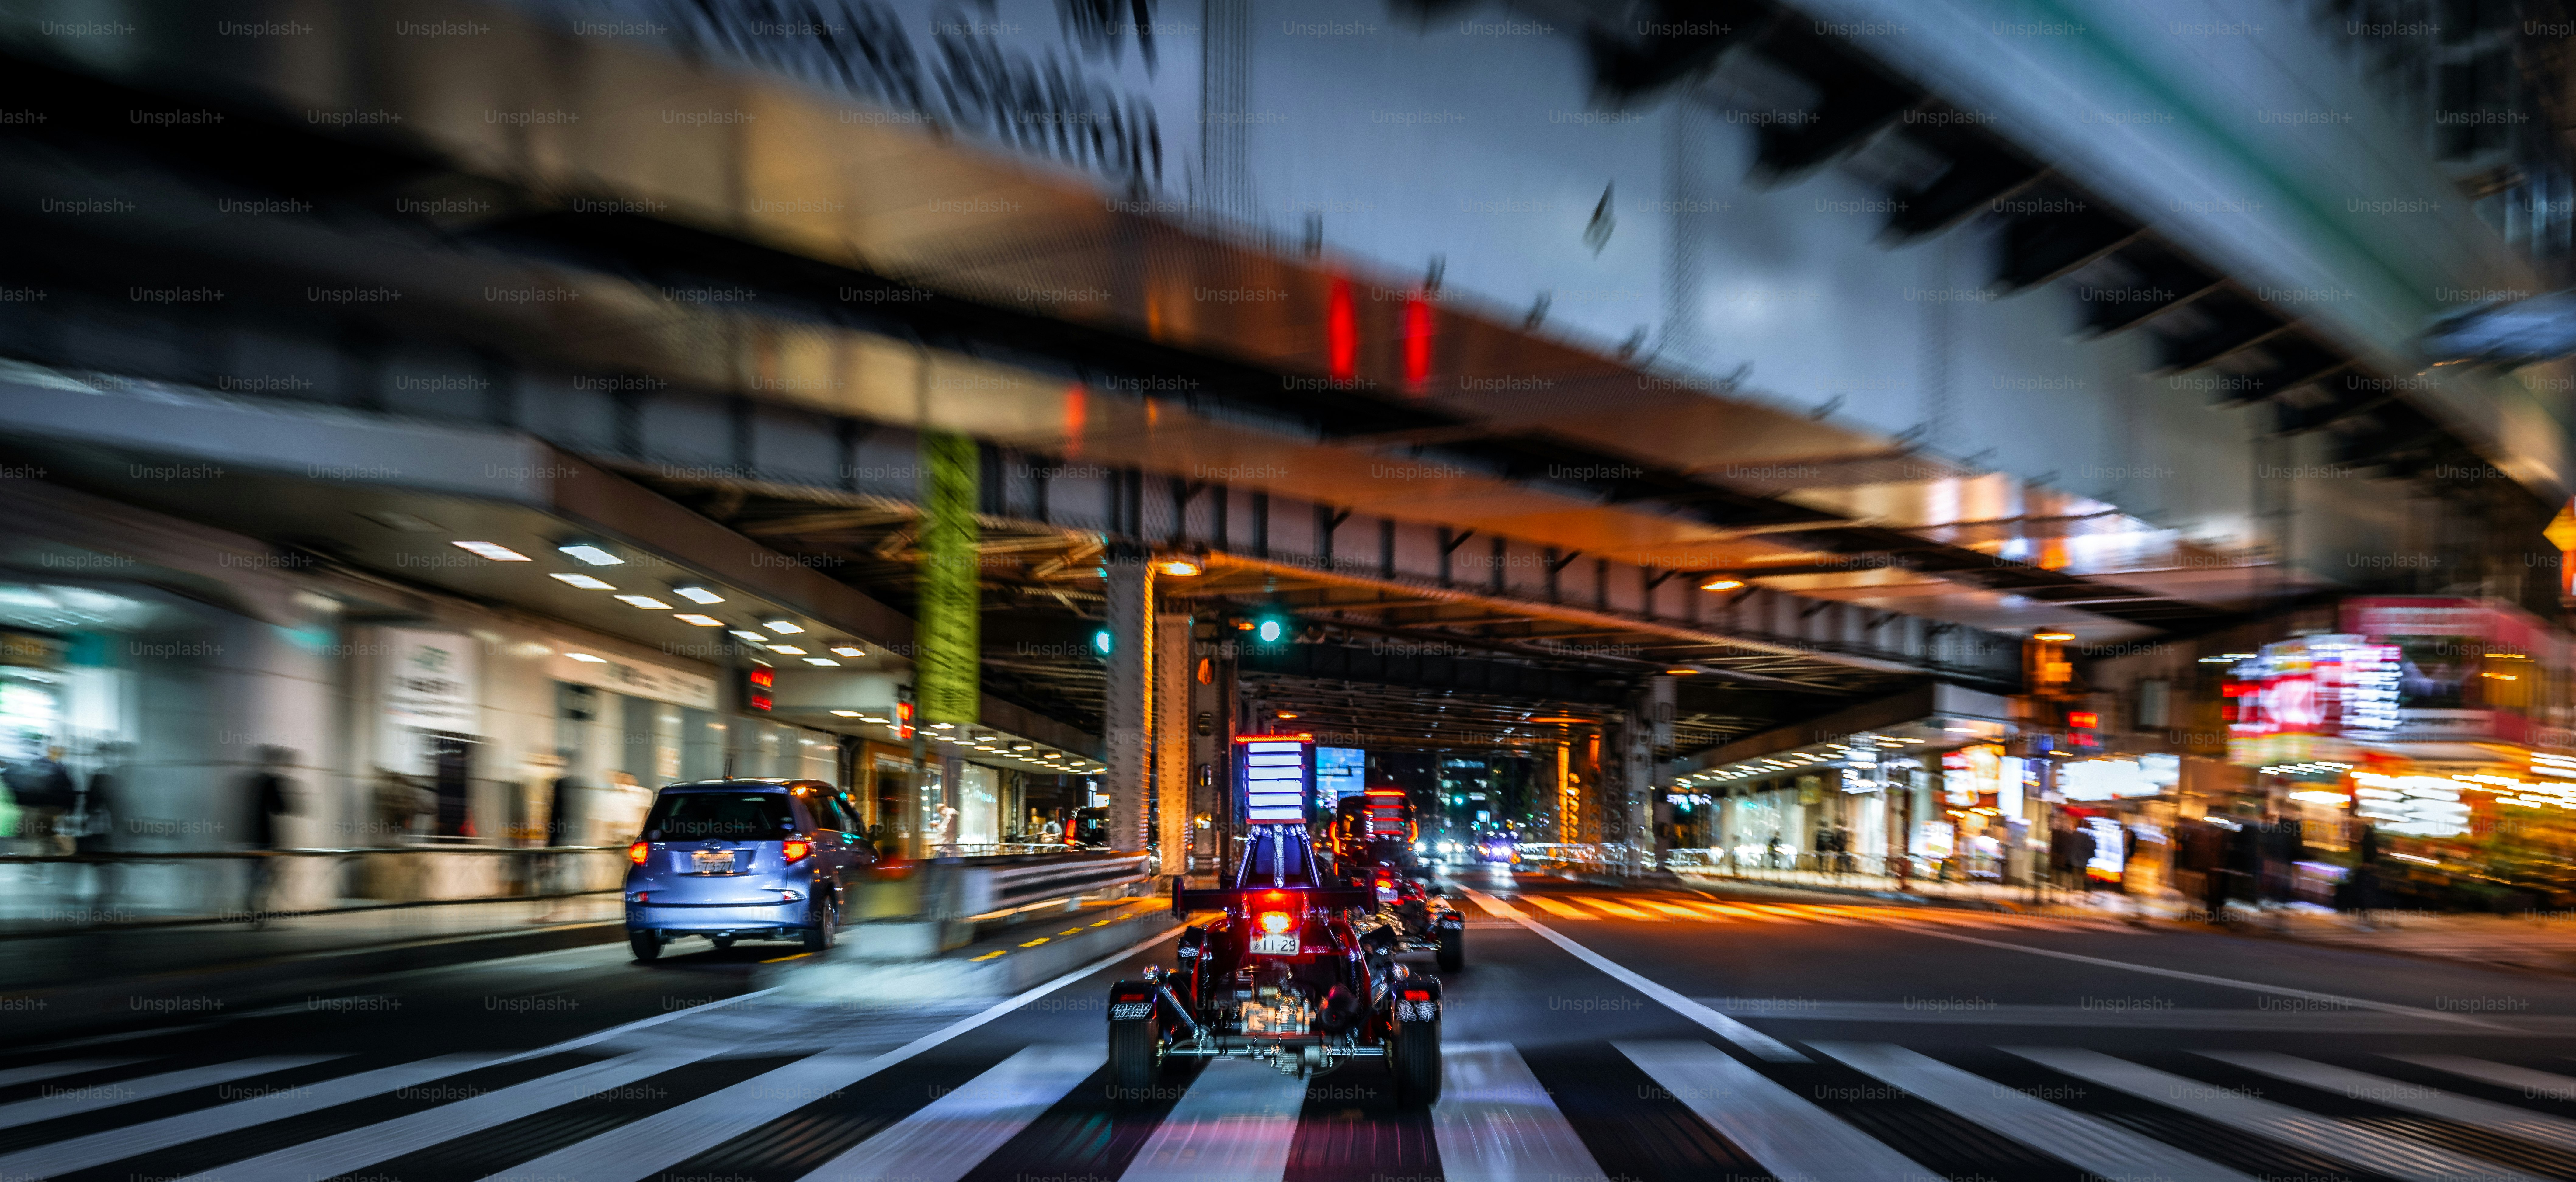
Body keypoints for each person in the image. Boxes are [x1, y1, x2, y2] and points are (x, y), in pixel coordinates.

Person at [244, 746, 297, 928]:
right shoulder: (272, 781)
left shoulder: (252, 781)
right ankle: (258, 912)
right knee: (267, 878)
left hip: (250, 837)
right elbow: (281, 807)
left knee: (256, 876)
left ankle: (254, 910)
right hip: (266, 839)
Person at [6, 746, 78, 856]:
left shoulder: (38, 765)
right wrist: (70, 808)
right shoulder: (59, 769)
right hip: (52, 808)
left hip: (37, 807)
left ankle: (40, 856)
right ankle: (56, 853)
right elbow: (68, 792)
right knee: (44, 832)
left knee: (37, 832)